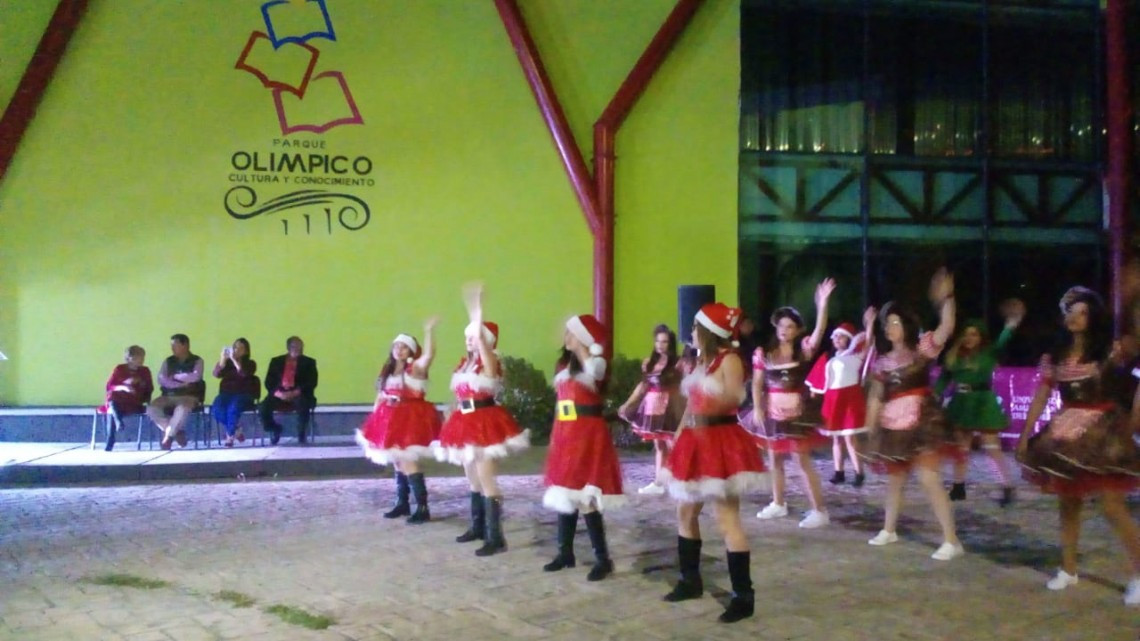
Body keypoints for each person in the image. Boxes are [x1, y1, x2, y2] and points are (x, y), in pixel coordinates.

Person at [1017, 287, 1140, 604]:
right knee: (1068, 501)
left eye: (1082, 311)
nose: (1074, 317)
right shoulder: (1055, 356)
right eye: (1070, 310)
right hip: (1066, 430)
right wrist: (1026, 433)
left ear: (1093, 317)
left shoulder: (1109, 352)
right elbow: (1042, 394)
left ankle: (1139, 574)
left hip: (1103, 430)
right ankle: (1068, 569)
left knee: (1112, 505)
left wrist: (1132, 422)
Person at [659, 302, 768, 624]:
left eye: (694, 326)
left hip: (719, 440)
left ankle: (743, 596)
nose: (690, 331)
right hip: (695, 439)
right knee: (685, 511)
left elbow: (735, 397)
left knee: (726, 519)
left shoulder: (730, 359)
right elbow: (692, 407)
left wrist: (705, 387)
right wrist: (677, 437)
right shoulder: (700, 361)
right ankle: (689, 580)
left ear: (708, 331)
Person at [860, 268, 964, 561]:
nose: (890, 328)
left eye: (894, 322)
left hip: (923, 421)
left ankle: (951, 540)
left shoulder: (922, 349)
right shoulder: (882, 362)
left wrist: (947, 299)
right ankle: (889, 529)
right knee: (894, 479)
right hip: (894, 425)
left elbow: (946, 327)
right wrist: (870, 430)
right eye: (886, 324)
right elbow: (876, 397)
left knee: (929, 477)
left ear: (905, 324)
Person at [435, 284, 528, 556]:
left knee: (486, 478)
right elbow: (459, 395)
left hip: (486, 421)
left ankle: (495, 536)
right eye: (467, 337)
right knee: (471, 478)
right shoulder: (464, 363)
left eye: (474, 337)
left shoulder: (491, 362)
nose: (469, 341)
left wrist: (477, 314)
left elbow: (486, 359)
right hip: (464, 421)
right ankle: (477, 526)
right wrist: (449, 415)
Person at [542, 314, 624, 581]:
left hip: (587, 434)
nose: (565, 338)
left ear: (583, 339)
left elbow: (595, 374)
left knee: (587, 496)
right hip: (566, 432)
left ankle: (603, 558)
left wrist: (583, 346)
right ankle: (565, 552)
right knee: (565, 491)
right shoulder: (562, 366)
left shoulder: (595, 363)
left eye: (571, 333)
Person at [748, 278, 835, 528]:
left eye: (790, 326)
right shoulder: (764, 353)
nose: (785, 330)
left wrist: (822, 305)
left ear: (797, 331)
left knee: (801, 459)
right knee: (774, 457)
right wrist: (756, 407)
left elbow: (819, 333)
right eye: (781, 326)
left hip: (796, 413)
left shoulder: (803, 350)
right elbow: (757, 383)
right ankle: (778, 502)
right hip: (773, 412)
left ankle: (819, 510)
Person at [936, 300, 1024, 505]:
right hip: (962, 403)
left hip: (983, 403)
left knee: (992, 447)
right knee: (961, 448)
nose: (969, 338)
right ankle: (958, 487)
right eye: (966, 334)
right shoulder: (953, 356)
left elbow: (1002, 341)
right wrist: (935, 395)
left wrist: (1011, 324)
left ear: (981, 336)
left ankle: (1007, 486)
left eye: (974, 334)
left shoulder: (988, 353)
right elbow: (943, 379)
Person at [356, 319, 442, 524]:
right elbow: (381, 394)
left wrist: (429, 331)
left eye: (404, 347)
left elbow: (429, 355)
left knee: (408, 459)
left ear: (411, 351)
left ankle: (422, 507)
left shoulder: (415, 369)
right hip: (389, 416)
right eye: (396, 346)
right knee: (396, 460)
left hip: (410, 417)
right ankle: (402, 502)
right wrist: (376, 416)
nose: (399, 350)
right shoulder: (387, 370)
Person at [618, 324, 684, 495]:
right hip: (651, 405)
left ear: (671, 343)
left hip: (670, 405)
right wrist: (628, 404)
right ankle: (659, 482)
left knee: (675, 443)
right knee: (659, 444)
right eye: (658, 341)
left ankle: (682, 478)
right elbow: (643, 385)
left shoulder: (679, 363)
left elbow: (684, 387)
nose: (660, 345)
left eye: (665, 341)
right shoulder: (649, 362)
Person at [810, 315, 874, 487]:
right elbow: (820, 378)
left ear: (849, 339)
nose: (837, 339)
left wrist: (869, 323)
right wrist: (814, 392)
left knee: (850, 438)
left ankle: (859, 472)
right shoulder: (829, 358)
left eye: (842, 336)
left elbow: (867, 342)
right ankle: (839, 472)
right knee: (836, 439)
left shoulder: (856, 356)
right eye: (835, 336)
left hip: (849, 399)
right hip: (833, 399)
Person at [148, 334, 205, 450]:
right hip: (168, 395)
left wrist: (174, 376)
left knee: (182, 409)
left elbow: (195, 376)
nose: (172, 348)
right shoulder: (168, 361)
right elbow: (161, 379)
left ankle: (168, 437)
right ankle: (175, 432)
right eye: (171, 346)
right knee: (151, 409)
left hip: (189, 396)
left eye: (175, 345)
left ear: (185, 345)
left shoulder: (197, 361)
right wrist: (178, 384)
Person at [260, 336, 318, 445]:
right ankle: (274, 428)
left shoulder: (309, 362)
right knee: (263, 407)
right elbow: (268, 382)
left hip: (299, 393)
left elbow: (312, 382)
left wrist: (295, 392)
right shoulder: (276, 361)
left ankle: (301, 434)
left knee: (303, 403)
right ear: (288, 347)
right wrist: (278, 393)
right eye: (295, 346)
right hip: (279, 393)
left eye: (300, 346)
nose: (298, 348)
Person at [102, 346, 154, 451]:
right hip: (119, 400)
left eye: (142, 357)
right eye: (138, 358)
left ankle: (115, 429)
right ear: (129, 358)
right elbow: (109, 386)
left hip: (135, 402)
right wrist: (123, 387)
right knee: (113, 400)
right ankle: (117, 423)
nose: (141, 360)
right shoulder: (120, 369)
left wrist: (145, 396)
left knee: (112, 410)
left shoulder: (145, 371)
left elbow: (149, 388)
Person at [211, 338, 259, 447]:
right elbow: (216, 374)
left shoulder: (251, 364)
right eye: (234, 347)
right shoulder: (227, 364)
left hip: (244, 394)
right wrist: (222, 360)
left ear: (246, 351)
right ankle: (236, 429)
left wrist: (234, 360)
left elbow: (243, 373)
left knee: (233, 408)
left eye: (240, 348)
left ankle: (230, 436)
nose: (236, 350)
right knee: (216, 409)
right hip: (226, 394)